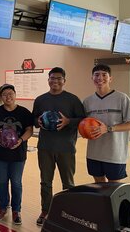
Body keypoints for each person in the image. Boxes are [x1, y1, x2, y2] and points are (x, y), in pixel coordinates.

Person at [32, 67, 85, 226]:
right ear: (48, 80)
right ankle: (45, 211)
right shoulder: (40, 99)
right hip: (45, 147)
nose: (55, 81)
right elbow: (34, 119)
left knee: (68, 183)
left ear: (64, 81)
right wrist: (38, 121)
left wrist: (69, 122)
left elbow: (82, 120)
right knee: (45, 182)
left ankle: (68, 212)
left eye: (58, 78)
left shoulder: (73, 99)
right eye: (52, 78)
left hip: (66, 148)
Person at [0, 84, 33, 225]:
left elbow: (29, 130)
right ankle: (2, 207)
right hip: (0, 154)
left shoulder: (24, 112)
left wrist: (21, 140)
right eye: (5, 94)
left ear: (15, 94)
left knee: (16, 183)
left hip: (18, 154)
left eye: (10, 93)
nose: (8, 96)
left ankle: (16, 210)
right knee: (1, 181)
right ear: (1, 97)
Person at [83, 64, 130, 183]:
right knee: (99, 188)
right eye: (96, 75)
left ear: (110, 78)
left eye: (104, 75)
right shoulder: (87, 101)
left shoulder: (122, 98)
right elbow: (83, 124)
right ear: (92, 78)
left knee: (114, 191)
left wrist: (109, 128)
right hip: (94, 154)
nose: (100, 78)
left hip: (115, 154)